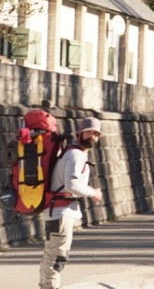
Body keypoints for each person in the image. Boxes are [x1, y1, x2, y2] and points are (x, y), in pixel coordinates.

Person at [39, 116, 103, 289]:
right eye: (89, 132)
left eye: (96, 133)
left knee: (52, 254)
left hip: (59, 211)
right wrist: (93, 193)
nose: (93, 136)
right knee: (57, 256)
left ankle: (47, 285)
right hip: (60, 212)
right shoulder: (75, 154)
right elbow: (71, 184)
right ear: (79, 133)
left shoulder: (75, 153)